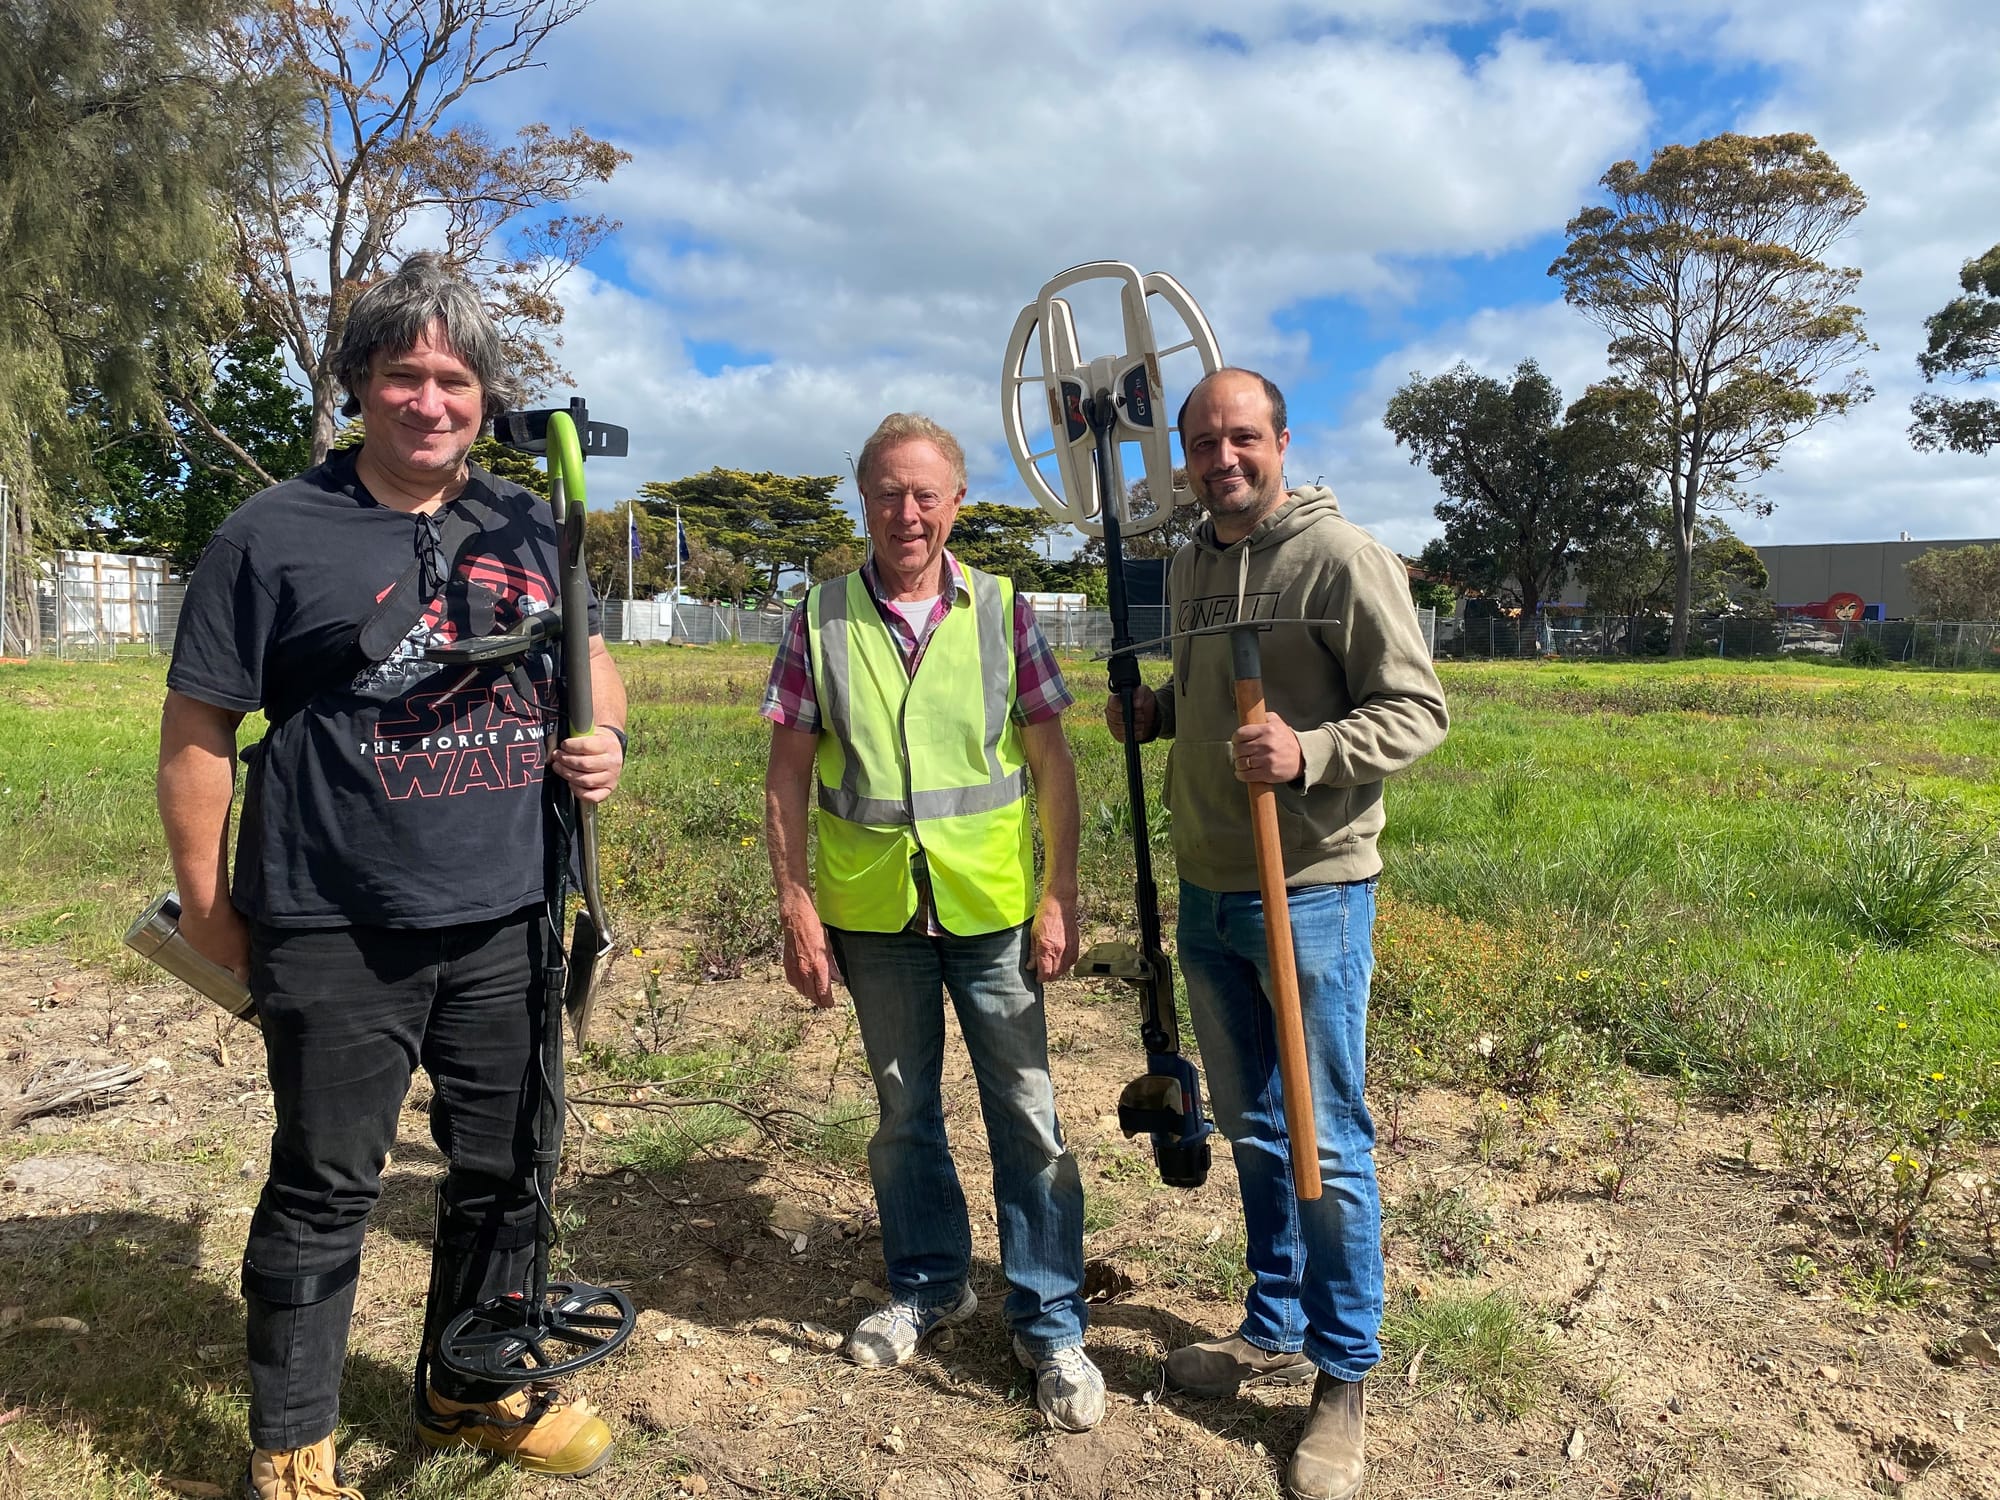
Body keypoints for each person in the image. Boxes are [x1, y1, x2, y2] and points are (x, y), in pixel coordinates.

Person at [157, 253, 628, 1499]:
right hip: (332, 921)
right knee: (323, 1187)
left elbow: (591, 659)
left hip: (511, 917)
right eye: (405, 374)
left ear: (484, 396)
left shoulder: (530, 524)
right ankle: (293, 1444)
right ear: (361, 383)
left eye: (456, 378)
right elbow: (199, 729)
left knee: (510, 1167)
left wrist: (608, 735)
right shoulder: (270, 535)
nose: (432, 400)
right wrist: (209, 909)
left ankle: (470, 1391)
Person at [1108, 369, 1448, 1500]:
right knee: (1254, 1123)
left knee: (1324, 1136)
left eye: (1239, 437)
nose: (1220, 459)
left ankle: (1343, 1374)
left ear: (1281, 442)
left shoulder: (1340, 558)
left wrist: (1309, 752)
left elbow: (1415, 709)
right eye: (1202, 443)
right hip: (1207, 888)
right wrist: (1156, 713)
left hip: (1308, 889)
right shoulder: (1190, 560)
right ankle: (1272, 1319)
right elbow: (1201, 694)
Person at [761, 413, 1104, 1431]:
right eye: (885, 492)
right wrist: (793, 901)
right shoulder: (817, 617)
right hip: (873, 914)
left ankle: (1048, 1320)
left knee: (1026, 1116)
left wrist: (1061, 890)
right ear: (860, 500)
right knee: (903, 1115)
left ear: (955, 503)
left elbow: (1048, 762)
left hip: (991, 909)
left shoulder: (1001, 611)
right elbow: (785, 773)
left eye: (925, 494)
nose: (904, 512)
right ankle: (927, 1282)